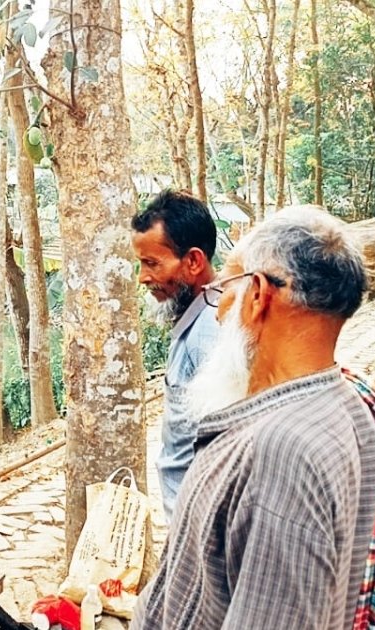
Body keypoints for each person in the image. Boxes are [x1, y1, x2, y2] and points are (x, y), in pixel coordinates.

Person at [133, 206, 375, 630]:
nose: (218, 310)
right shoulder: (348, 408)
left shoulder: (283, 452)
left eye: (225, 288)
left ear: (257, 294)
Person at [130, 190, 219, 518]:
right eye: (141, 264)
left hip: (200, 521)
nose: (143, 277)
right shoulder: (196, 318)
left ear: (194, 261)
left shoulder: (211, 329)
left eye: (152, 263)